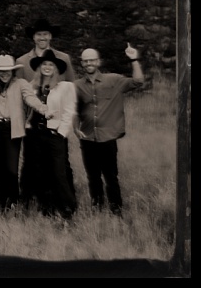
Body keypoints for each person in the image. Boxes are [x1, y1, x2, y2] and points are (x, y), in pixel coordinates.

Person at [74, 43, 144, 215]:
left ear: (98, 62)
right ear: (82, 64)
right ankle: (97, 209)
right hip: (88, 138)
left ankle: (116, 210)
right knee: (93, 177)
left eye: (92, 60)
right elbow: (74, 110)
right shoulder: (77, 85)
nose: (89, 63)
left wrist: (134, 59)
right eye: (85, 61)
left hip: (107, 138)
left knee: (111, 177)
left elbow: (138, 81)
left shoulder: (114, 80)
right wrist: (75, 128)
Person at [0, 54, 45, 211]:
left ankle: (13, 203)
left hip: (11, 129)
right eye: (1, 71)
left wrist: (41, 108)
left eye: (8, 71)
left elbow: (30, 98)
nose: (4, 74)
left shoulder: (20, 84)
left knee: (11, 168)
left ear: (13, 71)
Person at [22, 48, 77, 220]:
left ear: (56, 68)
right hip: (34, 134)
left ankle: (67, 207)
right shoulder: (32, 86)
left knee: (58, 171)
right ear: (39, 68)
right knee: (39, 171)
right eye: (44, 64)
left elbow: (69, 111)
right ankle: (46, 207)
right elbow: (26, 108)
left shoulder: (65, 87)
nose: (47, 67)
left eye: (51, 65)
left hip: (54, 134)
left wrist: (61, 133)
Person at [16, 18, 77, 82]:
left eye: (45, 34)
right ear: (33, 37)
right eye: (38, 34)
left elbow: (72, 84)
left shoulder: (64, 58)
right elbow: (18, 86)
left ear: (50, 36)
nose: (42, 38)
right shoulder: (22, 62)